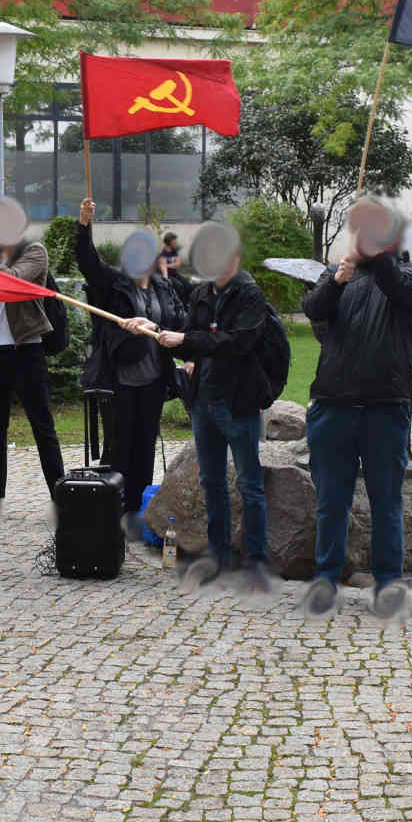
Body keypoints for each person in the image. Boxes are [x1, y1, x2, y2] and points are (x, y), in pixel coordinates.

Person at [298, 229, 412, 622]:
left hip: (384, 408)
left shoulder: (409, 274)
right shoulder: (336, 273)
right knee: (330, 502)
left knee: (386, 500)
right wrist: (337, 280)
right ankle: (326, 578)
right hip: (332, 405)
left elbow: (400, 289)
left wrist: (380, 256)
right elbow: (314, 309)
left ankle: (388, 582)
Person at [155, 224, 270, 590]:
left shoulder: (250, 295)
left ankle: (256, 561)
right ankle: (217, 554)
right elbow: (192, 341)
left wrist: (189, 339)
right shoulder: (203, 292)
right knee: (211, 481)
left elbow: (237, 342)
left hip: (239, 401)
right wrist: (157, 331)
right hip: (204, 399)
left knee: (250, 484)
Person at [78, 199, 184, 536]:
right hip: (122, 379)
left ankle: (139, 509)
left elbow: (180, 319)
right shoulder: (114, 283)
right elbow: (88, 263)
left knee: (145, 445)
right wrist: (84, 226)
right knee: (120, 445)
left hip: (153, 380)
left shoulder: (163, 289)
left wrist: (151, 324)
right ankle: (116, 509)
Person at [0, 226, 65, 522]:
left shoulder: (34, 253)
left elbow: (12, 281)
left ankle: (60, 497)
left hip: (27, 351)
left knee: (42, 427)